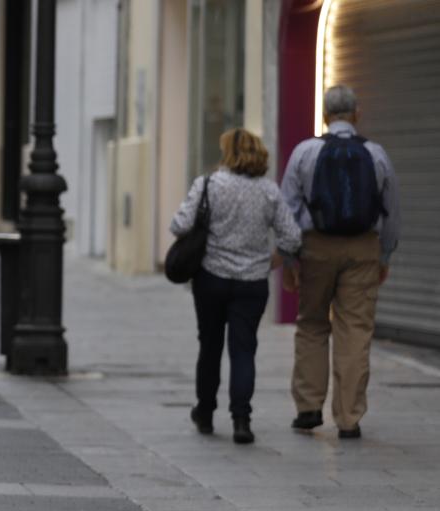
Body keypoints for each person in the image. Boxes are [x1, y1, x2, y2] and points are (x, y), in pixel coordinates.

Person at [281, 85, 400, 440]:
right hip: (362, 249)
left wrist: (289, 259)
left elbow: (288, 208)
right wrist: (384, 254)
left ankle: (308, 408)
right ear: (357, 114)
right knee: (355, 331)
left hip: (315, 248)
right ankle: (349, 418)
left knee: (313, 324)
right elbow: (392, 210)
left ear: (325, 115)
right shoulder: (376, 154)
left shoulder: (305, 152)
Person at [171, 128, 302, 444]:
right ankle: (242, 420)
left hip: (211, 279)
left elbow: (179, 225)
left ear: (227, 153)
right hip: (252, 283)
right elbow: (293, 237)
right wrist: (274, 260)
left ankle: (205, 413)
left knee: (210, 346)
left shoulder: (209, 184)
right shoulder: (269, 191)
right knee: (244, 350)